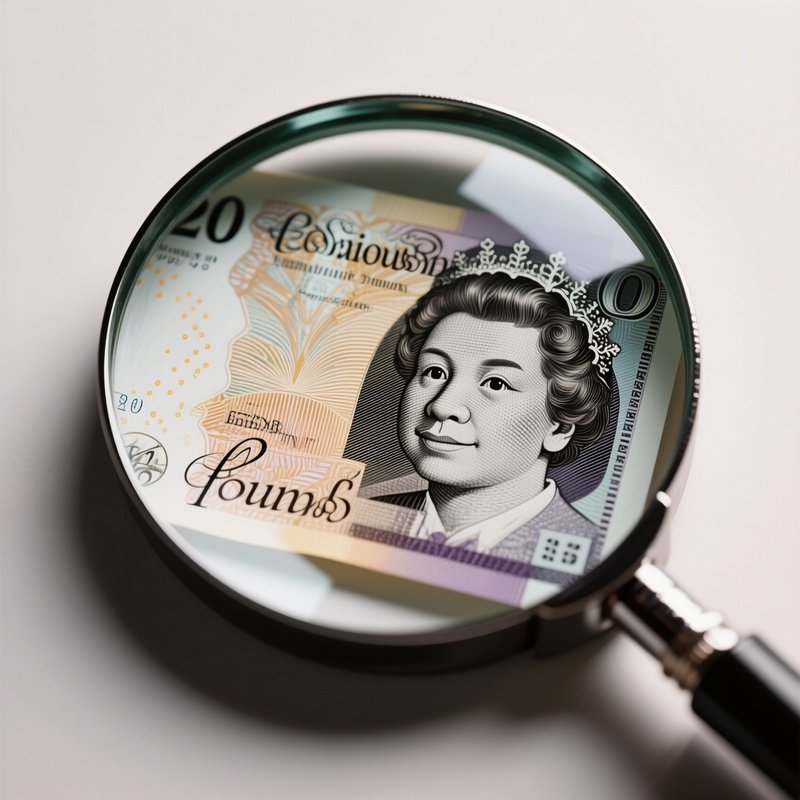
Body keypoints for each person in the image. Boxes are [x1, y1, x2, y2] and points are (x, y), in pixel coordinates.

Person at [373, 240, 615, 574]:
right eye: (435, 372)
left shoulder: (590, 560)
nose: (443, 406)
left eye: (496, 383)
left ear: (558, 427)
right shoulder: (357, 513)